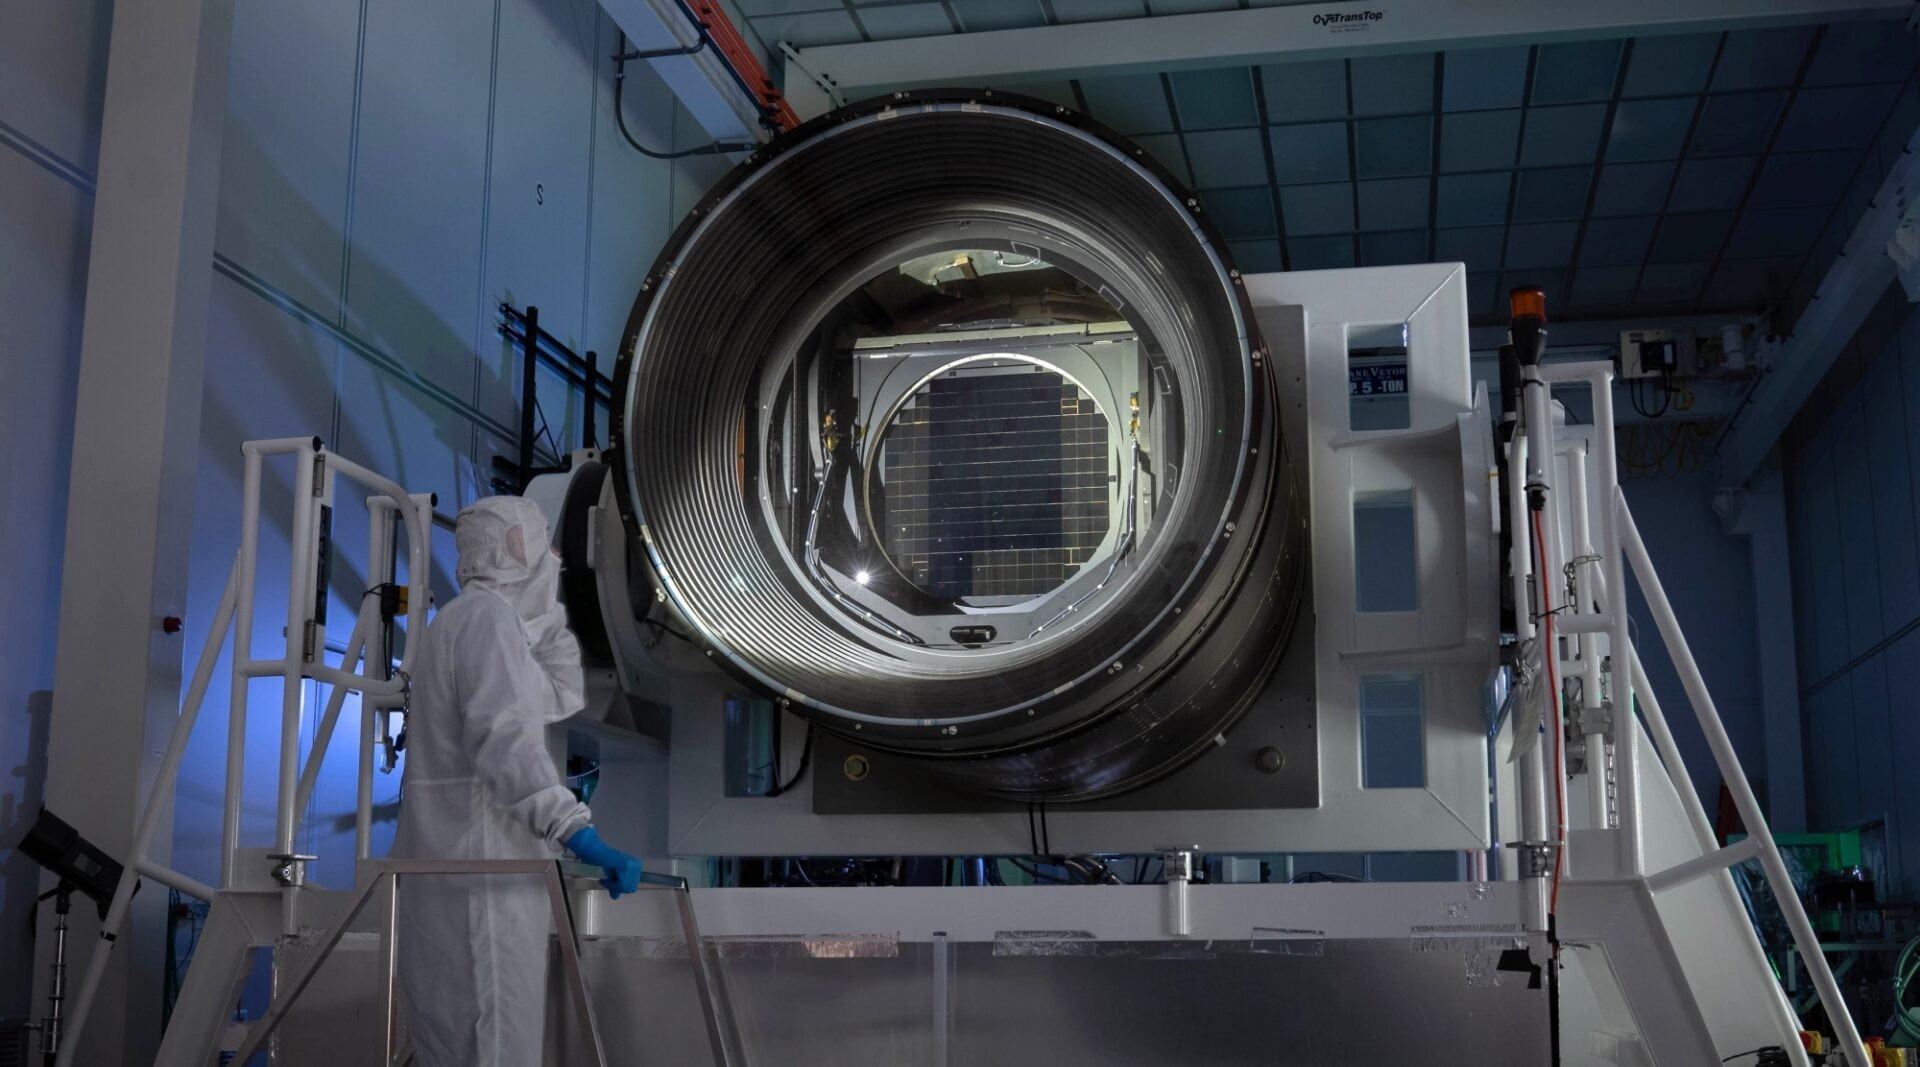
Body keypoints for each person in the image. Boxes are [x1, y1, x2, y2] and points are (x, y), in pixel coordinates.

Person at [392, 495, 642, 1066]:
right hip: (485, 890)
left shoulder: (465, 620)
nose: (555, 556)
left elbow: (557, 693)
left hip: (463, 881)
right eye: (544, 544)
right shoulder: (486, 621)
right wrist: (576, 830)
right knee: (495, 1047)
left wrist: (544, 610)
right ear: (518, 549)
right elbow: (505, 742)